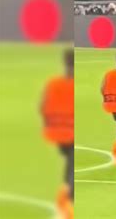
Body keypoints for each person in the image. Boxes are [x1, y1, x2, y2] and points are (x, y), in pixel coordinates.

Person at [40, 49, 74, 219]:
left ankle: (66, 194)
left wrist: (48, 125)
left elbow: (43, 107)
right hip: (70, 132)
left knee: (70, 160)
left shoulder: (54, 84)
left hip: (57, 132)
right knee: (71, 161)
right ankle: (68, 199)